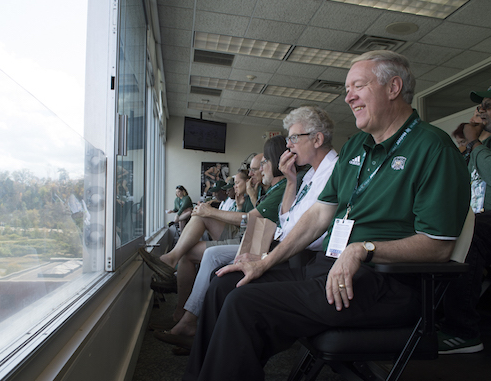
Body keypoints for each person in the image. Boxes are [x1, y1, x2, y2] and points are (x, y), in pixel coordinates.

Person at [183, 50, 470, 381]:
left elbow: (437, 246)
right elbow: (320, 214)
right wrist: (265, 261)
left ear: (393, 87)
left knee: (243, 304)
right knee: (225, 286)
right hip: (329, 270)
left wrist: (364, 249)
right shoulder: (356, 147)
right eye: (347, 88)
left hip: (384, 283)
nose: (348, 96)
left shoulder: (433, 148)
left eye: (358, 86)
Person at [153, 105, 338, 351]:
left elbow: (265, 221)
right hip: (275, 244)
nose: (290, 145)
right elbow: (287, 219)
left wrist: (264, 257)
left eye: (294, 138)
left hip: (285, 251)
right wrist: (289, 181)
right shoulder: (301, 180)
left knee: (217, 267)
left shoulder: (323, 175)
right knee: (217, 272)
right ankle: (188, 322)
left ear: (317, 139)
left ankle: (188, 319)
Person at [142, 137, 288, 319]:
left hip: (255, 242)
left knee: (193, 244)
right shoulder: (263, 188)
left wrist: (212, 212)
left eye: (257, 167)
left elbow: (251, 220)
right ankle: (172, 262)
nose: (251, 174)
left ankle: (183, 315)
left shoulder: (276, 188)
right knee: (200, 218)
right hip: (247, 234)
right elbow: (252, 219)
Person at [439, 82, 491, 354]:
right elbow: (459, 178)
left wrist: (474, 142)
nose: (482, 112)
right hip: (484, 217)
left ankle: (464, 332)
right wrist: (468, 145)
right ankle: (431, 315)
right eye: (480, 107)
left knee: (468, 236)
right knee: (442, 229)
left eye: (489, 105)